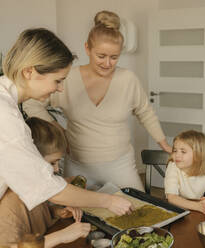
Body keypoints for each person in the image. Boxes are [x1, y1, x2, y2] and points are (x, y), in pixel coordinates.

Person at [0, 28, 133, 244]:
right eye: (57, 80)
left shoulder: (7, 105)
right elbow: (46, 187)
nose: (60, 89)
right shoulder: (5, 117)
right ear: (29, 72)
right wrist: (108, 201)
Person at [23, 10, 172, 191]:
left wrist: (163, 144)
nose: (107, 63)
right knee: (78, 215)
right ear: (87, 48)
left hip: (121, 165)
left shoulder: (128, 79)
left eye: (114, 57)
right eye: (101, 56)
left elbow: (145, 112)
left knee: (139, 212)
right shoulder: (68, 79)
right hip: (78, 165)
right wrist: (56, 129)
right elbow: (31, 103)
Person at [0, 117, 89, 246]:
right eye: (52, 163)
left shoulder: (33, 185)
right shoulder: (9, 206)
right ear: (32, 161)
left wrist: (56, 212)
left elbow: (37, 215)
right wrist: (61, 236)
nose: (57, 168)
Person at [164, 130, 205, 214]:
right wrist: (198, 206)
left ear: (198, 155)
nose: (177, 155)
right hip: (176, 210)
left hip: (196, 209)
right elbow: (172, 197)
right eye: (175, 150)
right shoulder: (173, 167)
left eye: (183, 151)